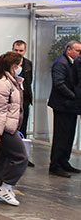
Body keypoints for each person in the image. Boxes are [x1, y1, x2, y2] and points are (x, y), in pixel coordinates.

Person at [0, 51, 27, 206]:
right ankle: (6, 187)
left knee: (2, 157)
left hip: (8, 127)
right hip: (4, 129)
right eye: (19, 64)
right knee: (21, 157)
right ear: (13, 66)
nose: (21, 67)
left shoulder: (12, 82)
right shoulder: (2, 84)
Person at [48, 40, 81, 178]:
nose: (79, 54)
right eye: (77, 51)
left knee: (69, 135)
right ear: (69, 50)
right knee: (61, 136)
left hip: (70, 106)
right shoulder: (61, 63)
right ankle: (55, 165)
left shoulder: (73, 63)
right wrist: (73, 95)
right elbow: (59, 84)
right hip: (62, 105)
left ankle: (64, 161)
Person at [11, 40, 34, 167]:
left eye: (21, 51)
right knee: (12, 128)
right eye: (16, 50)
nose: (18, 53)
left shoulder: (28, 63)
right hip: (12, 100)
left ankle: (23, 156)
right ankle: (11, 156)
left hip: (24, 100)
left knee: (23, 128)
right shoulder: (6, 62)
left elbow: (29, 82)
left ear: (24, 51)